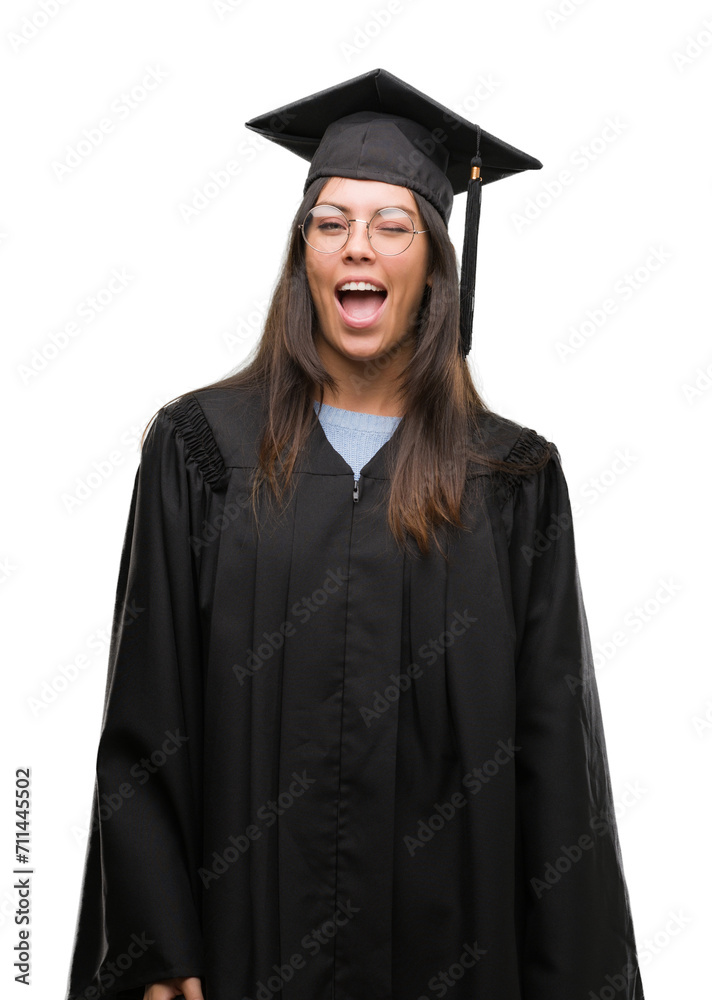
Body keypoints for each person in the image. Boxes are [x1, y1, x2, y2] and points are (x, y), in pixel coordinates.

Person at [64, 68, 645, 1000]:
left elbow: (556, 771)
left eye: (391, 224)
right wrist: (157, 949)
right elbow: (146, 721)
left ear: (434, 265)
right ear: (303, 258)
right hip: (245, 958)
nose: (357, 247)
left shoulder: (510, 483)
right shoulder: (201, 454)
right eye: (330, 224)